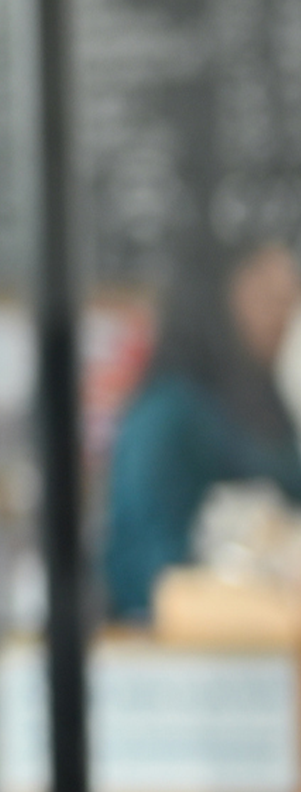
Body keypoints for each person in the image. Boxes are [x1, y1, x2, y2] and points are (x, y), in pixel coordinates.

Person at [104, 231, 301, 623]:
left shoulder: (260, 399)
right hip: (183, 657)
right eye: (268, 299)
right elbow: (152, 573)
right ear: (218, 298)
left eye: (290, 302)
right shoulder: (168, 414)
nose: (283, 318)